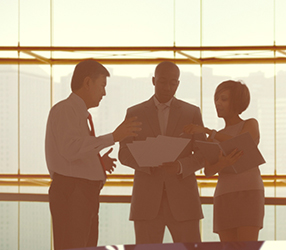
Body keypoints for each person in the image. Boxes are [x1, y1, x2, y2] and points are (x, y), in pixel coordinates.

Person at [45, 59, 141, 250]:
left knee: (84, 245)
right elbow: (71, 149)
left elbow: (74, 152)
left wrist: (96, 162)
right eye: (102, 85)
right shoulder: (65, 109)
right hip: (73, 192)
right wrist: (114, 136)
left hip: (80, 192)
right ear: (87, 82)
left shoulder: (79, 113)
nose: (104, 93)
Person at [118, 61, 207, 244]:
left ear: (178, 84)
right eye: (162, 81)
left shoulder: (192, 113)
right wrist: (147, 161)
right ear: (153, 81)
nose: (168, 87)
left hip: (184, 201)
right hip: (146, 201)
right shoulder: (135, 113)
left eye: (173, 83)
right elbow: (124, 153)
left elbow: (203, 154)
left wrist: (181, 166)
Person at [183, 80, 263, 242]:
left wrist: (208, 132)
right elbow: (208, 171)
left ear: (237, 102)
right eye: (217, 99)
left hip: (249, 194)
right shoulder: (214, 138)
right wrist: (223, 164)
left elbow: (241, 141)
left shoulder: (250, 124)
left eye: (224, 99)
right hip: (224, 196)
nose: (218, 103)